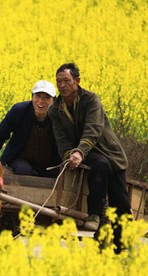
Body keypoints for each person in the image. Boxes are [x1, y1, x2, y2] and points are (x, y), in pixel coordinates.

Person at [48, 62, 132, 245]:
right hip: (84, 155)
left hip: (108, 153)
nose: (62, 85)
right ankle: (94, 215)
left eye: (66, 81)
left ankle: (122, 245)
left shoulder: (91, 100)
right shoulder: (55, 109)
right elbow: (61, 139)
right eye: (58, 81)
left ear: (77, 81)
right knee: (99, 163)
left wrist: (79, 152)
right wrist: (70, 155)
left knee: (121, 202)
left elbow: (93, 130)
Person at [0, 80, 61, 178]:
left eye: (46, 98)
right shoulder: (19, 111)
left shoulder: (60, 117)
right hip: (21, 159)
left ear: (54, 101)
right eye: (38, 96)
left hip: (50, 164)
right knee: (24, 171)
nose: (41, 101)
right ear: (32, 97)